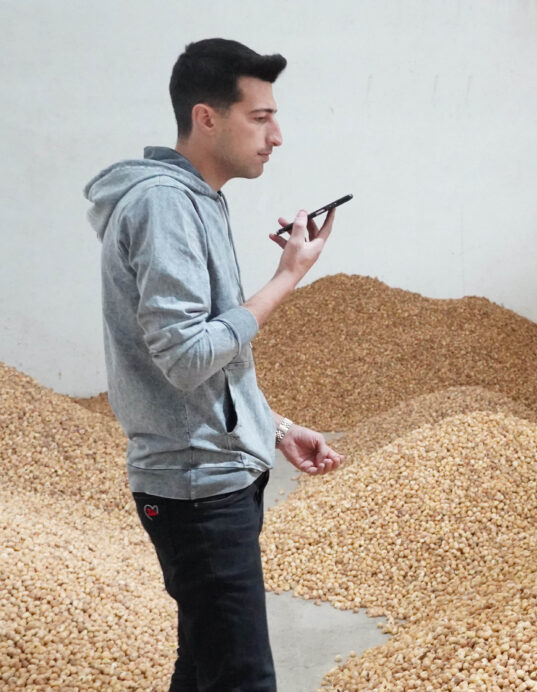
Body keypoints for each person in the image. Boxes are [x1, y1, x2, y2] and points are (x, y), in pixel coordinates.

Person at [84, 38, 343, 691]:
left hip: (208, 478)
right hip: (197, 488)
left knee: (204, 670)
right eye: (260, 117)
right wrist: (288, 276)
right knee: (240, 678)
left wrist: (275, 427)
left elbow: (210, 365)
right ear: (206, 118)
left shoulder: (196, 199)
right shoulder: (164, 204)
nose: (276, 135)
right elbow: (186, 356)